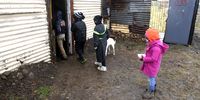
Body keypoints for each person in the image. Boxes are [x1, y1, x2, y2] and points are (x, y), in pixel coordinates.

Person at [138, 28, 169, 99]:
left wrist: (143, 58)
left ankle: (151, 90)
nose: (146, 39)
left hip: (153, 67)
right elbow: (151, 56)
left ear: (152, 38)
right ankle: (153, 86)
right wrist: (145, 56)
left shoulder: (156, 48)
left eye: (147, 38)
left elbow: (153, 58)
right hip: (152, 66)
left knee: (151, 79)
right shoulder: (153, 44)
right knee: (152, 78)